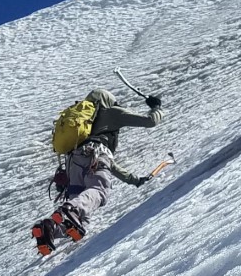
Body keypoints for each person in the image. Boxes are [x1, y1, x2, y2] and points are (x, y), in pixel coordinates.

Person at [33, 88, 164, 254]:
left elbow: (109, 164)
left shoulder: (84, 119)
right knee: (98, 192)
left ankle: (49, 228)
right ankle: (70, 209)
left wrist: (133, 179)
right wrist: (157, 108)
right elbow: (150, 121)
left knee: (81, 220)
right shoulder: (110, 112)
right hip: (95, 155)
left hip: (74, 163)